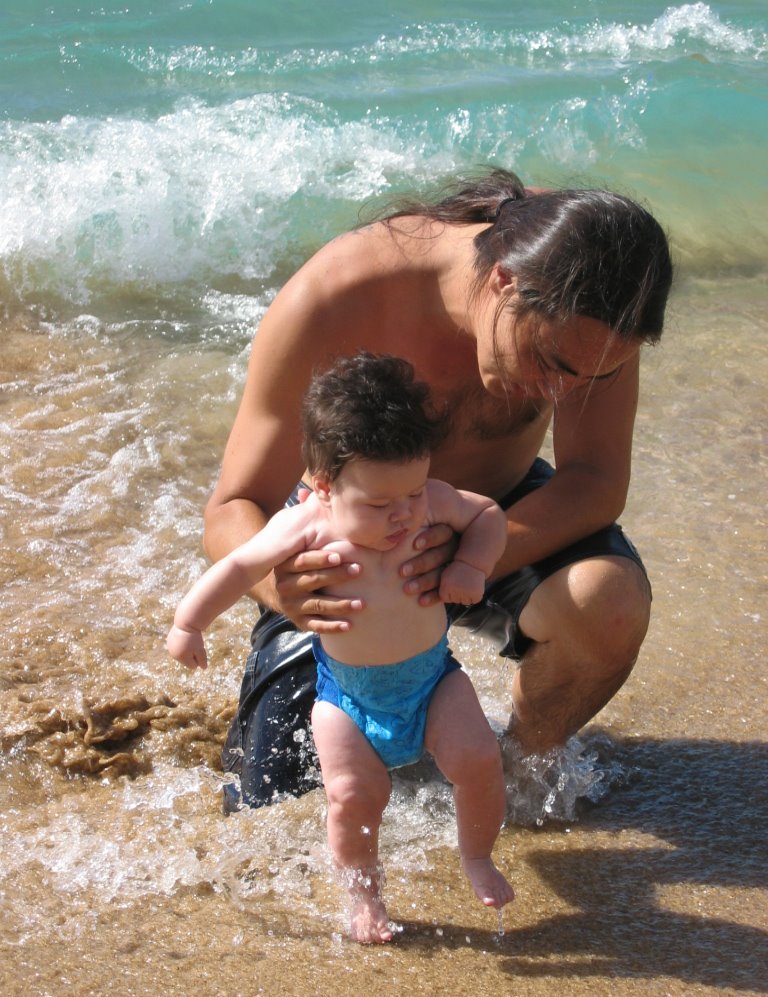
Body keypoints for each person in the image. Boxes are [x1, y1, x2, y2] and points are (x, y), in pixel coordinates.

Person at [203, 167, 673, 813]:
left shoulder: (601, 303)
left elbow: (595, 480)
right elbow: (233, 505)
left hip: (490, 516)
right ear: (504, 281)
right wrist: (284, 586)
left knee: (609, 603)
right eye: (554, 367)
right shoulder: (340, 294)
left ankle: (512, 779)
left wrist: (469, 557)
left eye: (593, 378)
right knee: (276, 807)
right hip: (346, 546)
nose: (567, 395)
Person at [168, 353, 513, 943]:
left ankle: (477, 855)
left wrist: (472, 563)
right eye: (380, 504)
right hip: (346, 699)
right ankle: (364, 898)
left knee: (479, 762)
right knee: (353, 797)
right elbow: (237, 565)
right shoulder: (305, 524)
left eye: (412, 490)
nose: (405, 513)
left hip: (434, 681)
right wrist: (189, 623)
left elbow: (486, 513)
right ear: (323, 486)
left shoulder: (426, 499)